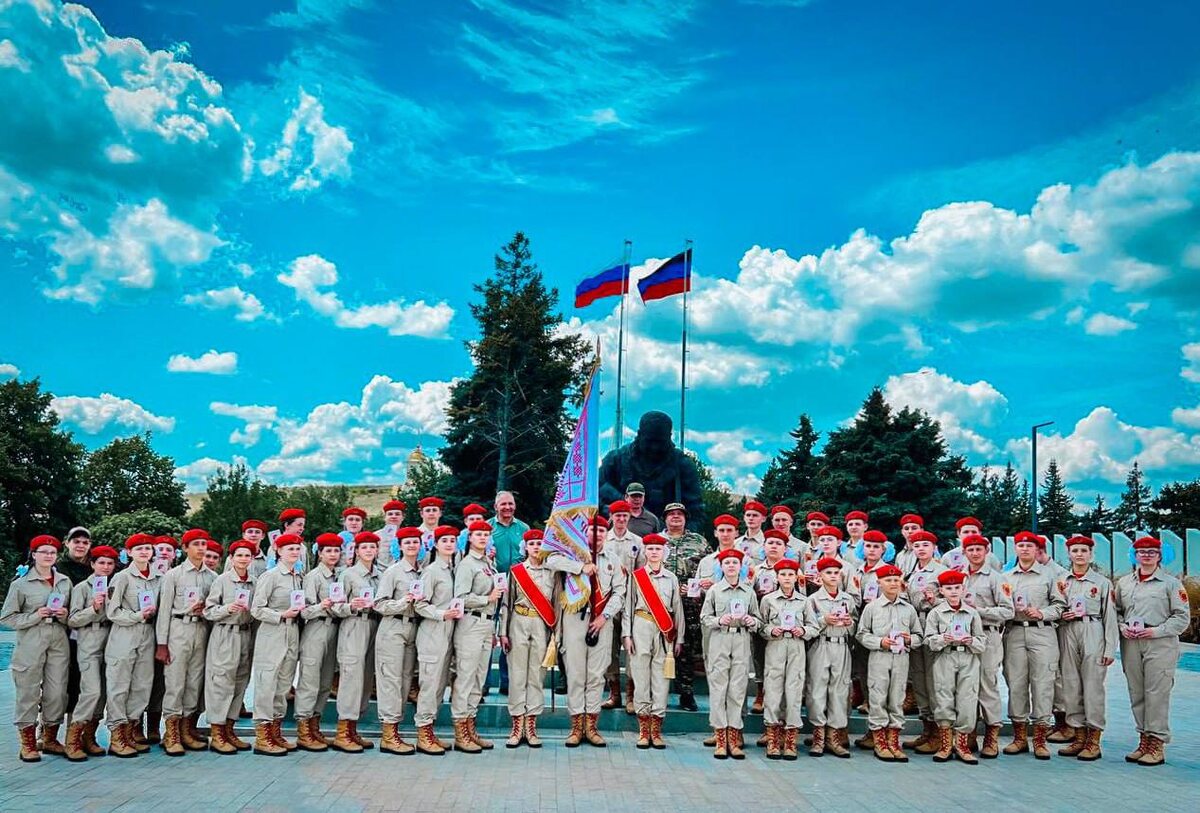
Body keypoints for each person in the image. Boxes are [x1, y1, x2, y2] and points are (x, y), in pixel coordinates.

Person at [545, 514, 626, 748]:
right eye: (593, 530)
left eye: (602, 531)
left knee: (595, 675)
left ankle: (591, 726)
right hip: (574, 619)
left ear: (606, 534)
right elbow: (550, 560)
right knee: (576, 674)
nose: (597, 534)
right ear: (584, 532)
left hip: (602, 621)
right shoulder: (572, 554)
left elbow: (619, 592)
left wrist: (604, 616)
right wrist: (581, 567)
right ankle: (576, 727)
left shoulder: (612, 559)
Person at [1114, 536, 1190, 766]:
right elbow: (1116, 611)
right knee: (1136, 691)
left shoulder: (1171, 584)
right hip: (1132, 642)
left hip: (1160, 642)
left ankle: (1157, 742)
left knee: (1156, 693)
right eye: (1142, 551)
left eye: (1152, 552)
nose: (1146, 555)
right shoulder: (1124, 583)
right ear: (1135, 556)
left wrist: (1156, 631)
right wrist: (1122, 627)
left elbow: (1182, 617)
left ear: (1159, 556)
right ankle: (1143, 739)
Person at [2, 535, 72, 762]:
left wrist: (65, 614)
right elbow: (8, 618)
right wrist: (35, 615)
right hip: (31, 640)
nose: (48, 556)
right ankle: (28, 743)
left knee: (57, 692)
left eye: (52, 553)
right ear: (33, 555)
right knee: (28, 692)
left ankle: (50, 738)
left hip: (58, 639)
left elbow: (73, 613)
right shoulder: (20, 584)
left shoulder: (64, 581)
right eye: (43, 552)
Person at [1002, 530, 1066, 759]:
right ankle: (1019, 737)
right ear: (1016, 548)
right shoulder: (1006, 577)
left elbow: (1061, 606)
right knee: (1016, 682)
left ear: (1037, 550)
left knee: (1043, 683)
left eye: (1030, 546)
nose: (1025, 549)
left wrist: (1042, 613)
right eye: (1021, 545)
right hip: (1015, 631)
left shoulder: (1050, 576)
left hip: (1042, 633)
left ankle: (1040, 738)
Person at [1055, 534, 1118, 761]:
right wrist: (1063, 615)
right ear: (1069, 554)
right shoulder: (1061, 581)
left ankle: (1093, 739)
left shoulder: (1102, 583)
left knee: (1092, 687)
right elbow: (1054, 607)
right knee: (1070, 686)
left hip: (1093, 630)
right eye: (1075, 550)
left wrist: (1110, 648)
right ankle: (1078, 735)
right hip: (1068, 631)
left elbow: (1110, 617)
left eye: (1084, 550)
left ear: (1091, 555)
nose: (1079, 554)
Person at [156, 529, 216, 755]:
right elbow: (163, 611)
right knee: (175, 682)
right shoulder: (174, 575)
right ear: (185, 548)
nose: (201, 548)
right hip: (178, 628)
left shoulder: (212, 577)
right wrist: (162, 643)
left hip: (200, 629)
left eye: (204, 544)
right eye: (196, 544)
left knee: (194, 682)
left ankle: (185, 729)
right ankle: (170, 733)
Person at [623, 533, 684, 750]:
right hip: (641, 625)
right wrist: (627, 635)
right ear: (645, 551)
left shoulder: (672, 578)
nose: (654, 552)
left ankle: (656, 730)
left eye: (658, 549)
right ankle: (643, 729)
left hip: (664, 631)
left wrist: (680, 638)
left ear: (663, 552)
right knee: (641, 678)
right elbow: (628, 607)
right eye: (650, 548)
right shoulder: (636, 576)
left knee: (661, 681)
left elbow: (677, 609)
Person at [103, 533, 162, 758]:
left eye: (148, 548)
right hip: (124, 635)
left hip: (148, 635)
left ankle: (130, 731)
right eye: (138, 549)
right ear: (129, 552)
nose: (144, 552)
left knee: (141, 685)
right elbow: (112, 611)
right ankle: (117, 735)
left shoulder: (159, 578)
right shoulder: (122, 578)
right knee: (120, 685)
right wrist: (137, 615)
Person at [856, 563, 922, 762]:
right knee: (878, 697)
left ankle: (893, 740)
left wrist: (910, 639)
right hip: (879, 657)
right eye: (888, 580)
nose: (893, 583)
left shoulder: (908, 609)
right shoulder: (872, 608)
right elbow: (861, 634)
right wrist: (880, 642)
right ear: (879, 583)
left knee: (897, 698)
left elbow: (919, 635)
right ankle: (879, 741)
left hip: (901, 658)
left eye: (895, 580)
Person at [448, 520, 502, 753]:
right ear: (469, 538)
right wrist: (486, 599)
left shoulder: (488, 563)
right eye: (478, 534)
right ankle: (460, 731)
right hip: (471, 621)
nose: (482, 538)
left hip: (487, 623)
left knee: (479, 678)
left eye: (486, 534)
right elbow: (460, 597)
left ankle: (471, 727)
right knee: (466, 677)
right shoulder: (467, 564)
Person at [249, 533, 305, 756]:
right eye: (289, 548)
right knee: (267, 681)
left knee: (284, 683)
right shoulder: (270, 576)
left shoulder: (298, 577)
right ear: (279, 552)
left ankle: (276, 730)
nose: (294, 552)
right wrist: (281, 614)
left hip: (293, 631)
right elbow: (256, 609)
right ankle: (262, 735)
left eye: (297, 548)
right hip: (273, 631)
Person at [500, 528, 556, 748]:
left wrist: (555, 634)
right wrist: (503, 632)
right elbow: (507, 602)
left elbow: (556, 604)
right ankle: (516, 726)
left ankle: (531, 726)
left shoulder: (552, 572)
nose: (536, 547)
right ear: (526, 547)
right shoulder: (516, 572)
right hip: (518, 622)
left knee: (536, 676)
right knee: (517, 676)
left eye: (540, 544)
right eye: (532, 544)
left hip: (541, 625)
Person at [960, 533, 1014, 758]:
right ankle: (969, 732)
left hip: (988, 635)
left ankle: (991, 734)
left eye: (979, 549)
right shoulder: (960, 577)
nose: (974, 553)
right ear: (964, 552)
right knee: (965, 684)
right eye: (970, 550)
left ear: (986, 551)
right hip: (964, 637)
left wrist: (978, 611)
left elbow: (1008, 610)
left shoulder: (995, 578)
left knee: (987, 684)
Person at [701, 547, 758, 759]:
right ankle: (720, 738)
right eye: (727, 563)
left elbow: (757, 618)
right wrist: (718, 620)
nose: (731, 566)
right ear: (721, 567)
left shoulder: (748, 591)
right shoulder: (715, 591)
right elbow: (704, 617)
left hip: (741, 638)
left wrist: (752, 621)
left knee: (738, 688)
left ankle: (734, 738)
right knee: (718, 688)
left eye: (735, 563)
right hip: (720, 638)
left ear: (741, 567)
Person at [924, 569, 986, 763]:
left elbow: (982, 641)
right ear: (941, 590)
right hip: (945, 656)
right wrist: (943, 638)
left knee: (967, 699)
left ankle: (962, 745)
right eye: (948, 588)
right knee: (943, 697)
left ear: (963, 589)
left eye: (957, 588)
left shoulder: (972, 613)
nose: (953, 592)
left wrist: (971, 641)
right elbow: (928, 640)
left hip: (967, 657)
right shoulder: (936, 613)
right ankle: (944, 745)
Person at [63, 544, 118, 761]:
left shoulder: (114, 586)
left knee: (104, 693)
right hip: (89, 639)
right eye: (101, 562)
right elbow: (72, 619)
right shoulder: (82, 588)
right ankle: (73, 738)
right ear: (92, 564)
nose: (105, 567)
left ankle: (89, 736)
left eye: (110, 563)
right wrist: (93, 609)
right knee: (91, 691)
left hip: (112, 639)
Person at [202, 539, 256, 756]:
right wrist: (227, 608)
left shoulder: (254, 582)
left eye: (247, 555)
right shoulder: (222, 581)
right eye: (239, 555)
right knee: (222, 681)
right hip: (225, 632)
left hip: (245, 633)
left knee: (240, 681)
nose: (243, 559)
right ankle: (216, 732)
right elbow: (209, 610)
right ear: (231, 558)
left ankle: (230, 728)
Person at [413, 526, 464, 755]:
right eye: (444, 540)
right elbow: (419, 604)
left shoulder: (454, 570)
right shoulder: (431, 571)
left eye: (452, 540)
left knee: (439, 685)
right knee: (430, 684)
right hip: (433, 631)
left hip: (450, 631)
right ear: (435, 544)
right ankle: (423, 734)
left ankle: (430, 731)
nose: (449, 544)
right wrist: (441, 614)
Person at [374, 526, 424, 755]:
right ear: (400, 546)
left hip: (413, 628)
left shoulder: (422, 571)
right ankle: (388, 734)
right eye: (407, 542)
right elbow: (379, 603)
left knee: (405, 680)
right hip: (393, 626)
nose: (412, 545)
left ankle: (397, 729)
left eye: (416, 542)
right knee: (390, 680)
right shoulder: (394, 572)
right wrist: (402, 602)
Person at [331, 530, 383, 752]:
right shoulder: (348, 574)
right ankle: (342, 731)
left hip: (374, 624)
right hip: (353, 624)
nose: (369, 551)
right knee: (351, 676)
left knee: (365, 678)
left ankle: (353, 728)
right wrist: (351, 606)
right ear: (357, 551)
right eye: (364, 547)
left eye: (372, 547)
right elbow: (335, 606)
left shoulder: (381, 575)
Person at [294, 532, 345, 751]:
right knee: (310, 680)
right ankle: (303, 729)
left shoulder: (340, 575)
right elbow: (303, 611)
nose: (333, 555)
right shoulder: (313, 577)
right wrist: (321, 606)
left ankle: (315, 726)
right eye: (328, 551)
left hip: (335, 628)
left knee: (325, 682)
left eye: (336, 550)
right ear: (320, 553)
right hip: (316, 628)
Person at [758, 558, 810, 760]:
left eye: (791, 574)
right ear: (777, 577)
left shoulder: (804, 601)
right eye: (783, 574)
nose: (787, 578)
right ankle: (772, 737)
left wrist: (803, 629)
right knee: (773, 690)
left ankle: (790, 740)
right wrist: (772, 629)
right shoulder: (768, 600)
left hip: (796, 646)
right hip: (776, 646)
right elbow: (761, 626)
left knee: (794, 690)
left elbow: (813, 626)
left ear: (797, 577)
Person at [805, 556, 856, 758]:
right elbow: (809, 625)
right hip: (821, 644)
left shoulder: (847, 599)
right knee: (817, 689)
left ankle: (834, 736)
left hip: (841, 645)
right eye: (828, 573)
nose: (833, 576)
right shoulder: (813, 600)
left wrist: (848, 622)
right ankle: (818, 735)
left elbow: (855, 626)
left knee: (839, 689)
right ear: (820, 576)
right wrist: (824, 620)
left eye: (836, 573)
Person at [658, 502, 706, 712]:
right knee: (658, 644)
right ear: (665, 518)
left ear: (685, 518)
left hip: (689, 603)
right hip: (660, 601)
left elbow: (708, 568)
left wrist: (699, 587)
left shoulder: (699, 541)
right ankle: (657, 692)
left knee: (686, 647)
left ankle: (686, 692)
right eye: (671, 514)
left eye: (680, 514)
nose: (676, 517)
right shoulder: (655, 542)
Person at [901, 529, 946, 753]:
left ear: (934, 548)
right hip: (915, 626)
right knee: (918, 678)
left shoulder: (941, 571)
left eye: (925, 545)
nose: (920, 549)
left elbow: (949, 601)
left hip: (932, 625)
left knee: (933, 679)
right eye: (917, 546)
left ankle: (939, 732)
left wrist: (934, 600)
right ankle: (927, 729)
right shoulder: (909, 571)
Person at [750, 529, 790, 731]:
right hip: (762, 618)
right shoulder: (755, 570)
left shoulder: (793, 571)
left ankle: (780, 699)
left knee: (782, 663)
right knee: (759, 655)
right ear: (764, 546)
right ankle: (760, 692)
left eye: (778, 543)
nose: (773, 546)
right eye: (770, 543)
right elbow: (747, 593)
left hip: (786, 625)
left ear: (785, 548)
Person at [374, 499, 407, 568]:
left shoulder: (407, 536)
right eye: (390, 514)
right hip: (381, 574)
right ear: (384, 517)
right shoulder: (375, 536)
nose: (393, 516)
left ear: (403, 517)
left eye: (397, 514)